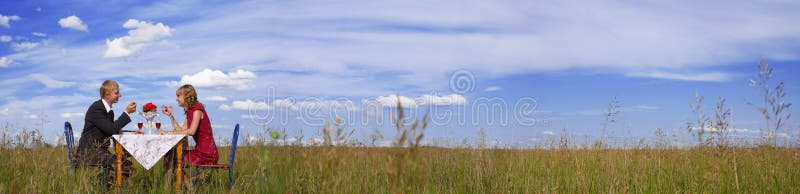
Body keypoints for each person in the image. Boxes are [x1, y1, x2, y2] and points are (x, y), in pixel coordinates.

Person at [76, 80, 142, 182]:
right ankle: (106, 186)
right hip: (88, 153)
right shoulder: (97, 109)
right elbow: (112, 129)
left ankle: (107, 185)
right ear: (107, 94)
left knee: (126, 164)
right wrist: (127, 112)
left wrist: (132, 133)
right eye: (116, 93)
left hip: (100, 151)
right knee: (122, 164)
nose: (120, 95)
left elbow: (111, 129)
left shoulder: (108, 111)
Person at [160, 84, 219, 186]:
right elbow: (181, 130)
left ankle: (188, 188)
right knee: (170, 156)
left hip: (207, 154)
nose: (176, 99)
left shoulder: (197, 109)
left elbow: (191, 131)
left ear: (187, 96)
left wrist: (168, 133)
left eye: (178, 96)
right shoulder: (190, 111)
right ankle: (185, 187)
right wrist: (170, 116)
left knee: (174, 160)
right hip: (200, 151)